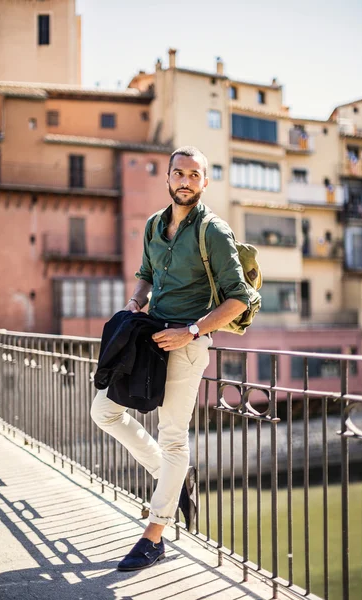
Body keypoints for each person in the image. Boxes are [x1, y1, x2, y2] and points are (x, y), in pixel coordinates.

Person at [91, 146, 250, 571]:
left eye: (194, 175)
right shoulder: (153, 225)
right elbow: (146, 273)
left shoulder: (213, 231)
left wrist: (192, 331)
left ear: (204, 182)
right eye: (178, 173)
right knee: (103, 410)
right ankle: (172, 477)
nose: (185, 181)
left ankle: (155, 535)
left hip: (188, 341)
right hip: (150, 336)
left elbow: (240, 298)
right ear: (167, 178)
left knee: (174, 437)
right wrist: (133, 303)